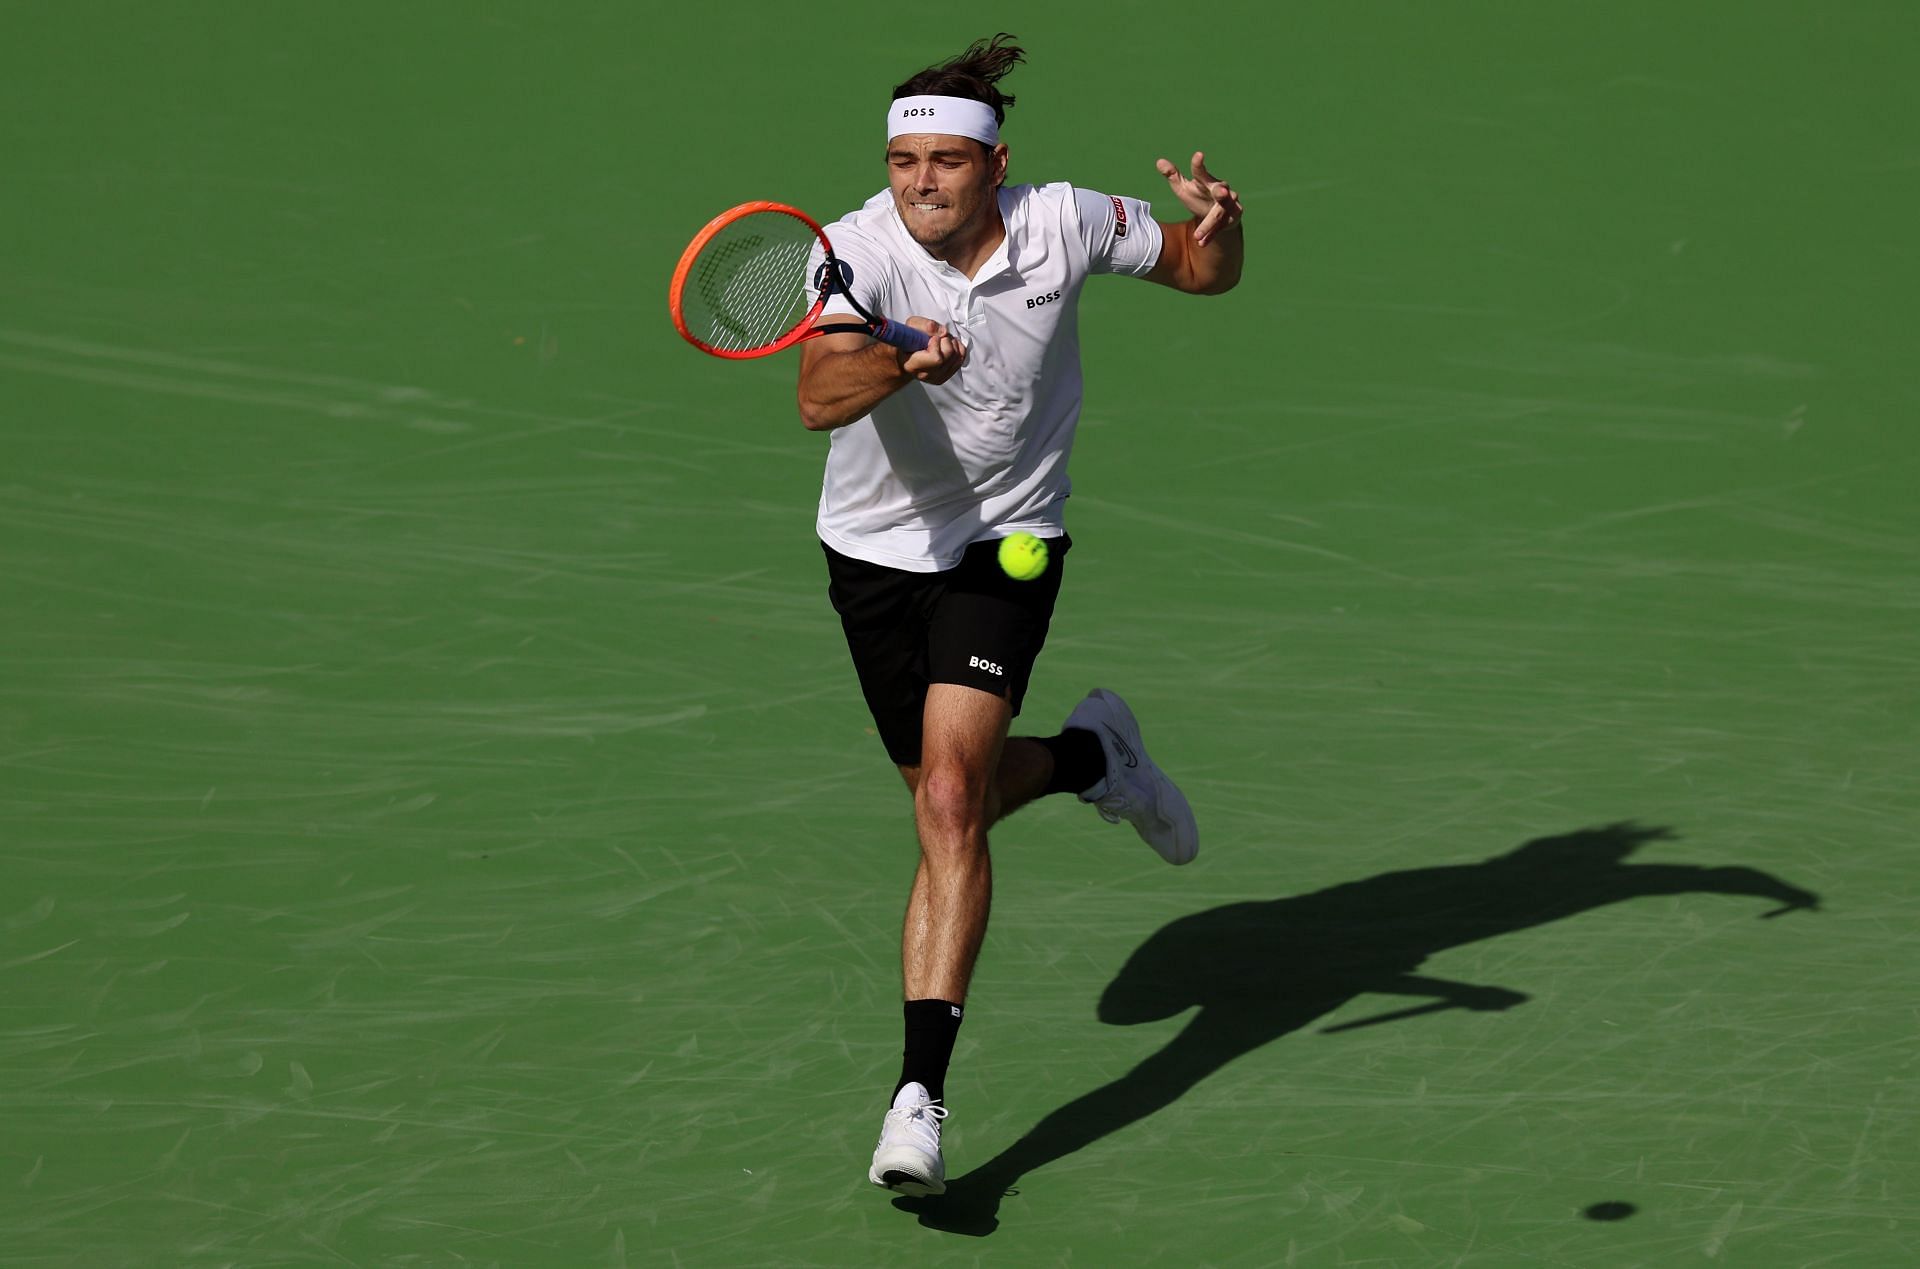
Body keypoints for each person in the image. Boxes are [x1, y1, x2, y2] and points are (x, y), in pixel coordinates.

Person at [793, 33, 1244, 1198]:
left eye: (946, 162)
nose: (921, 184)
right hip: (878, 556)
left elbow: (1203, 271)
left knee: (948, 803)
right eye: (904, 164)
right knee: (960, 800)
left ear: (997, 166)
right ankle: (1096, 756)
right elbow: (818, 395)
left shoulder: (1068, 222)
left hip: (1009, 540)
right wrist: (903, 366)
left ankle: (917, 1100)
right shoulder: (850, 254)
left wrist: (1220, 223)